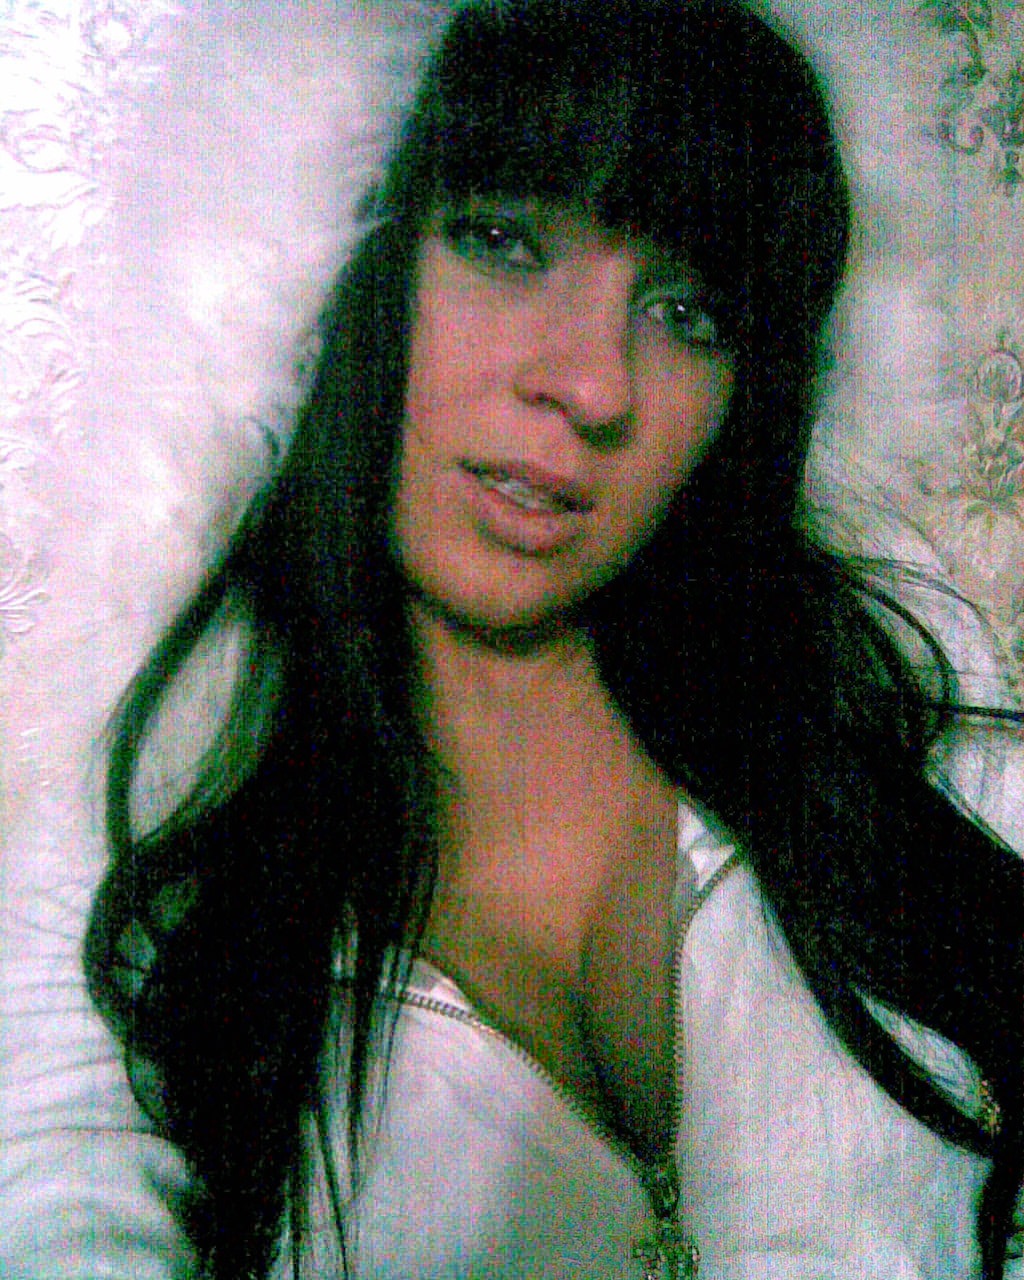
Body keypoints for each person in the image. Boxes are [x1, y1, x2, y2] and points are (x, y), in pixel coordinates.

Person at [83, 0, 1024, 1276]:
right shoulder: (152, 812)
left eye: (689, 311)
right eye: (501, 240)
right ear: (334, 263)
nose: (593, 385)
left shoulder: (900, 718)